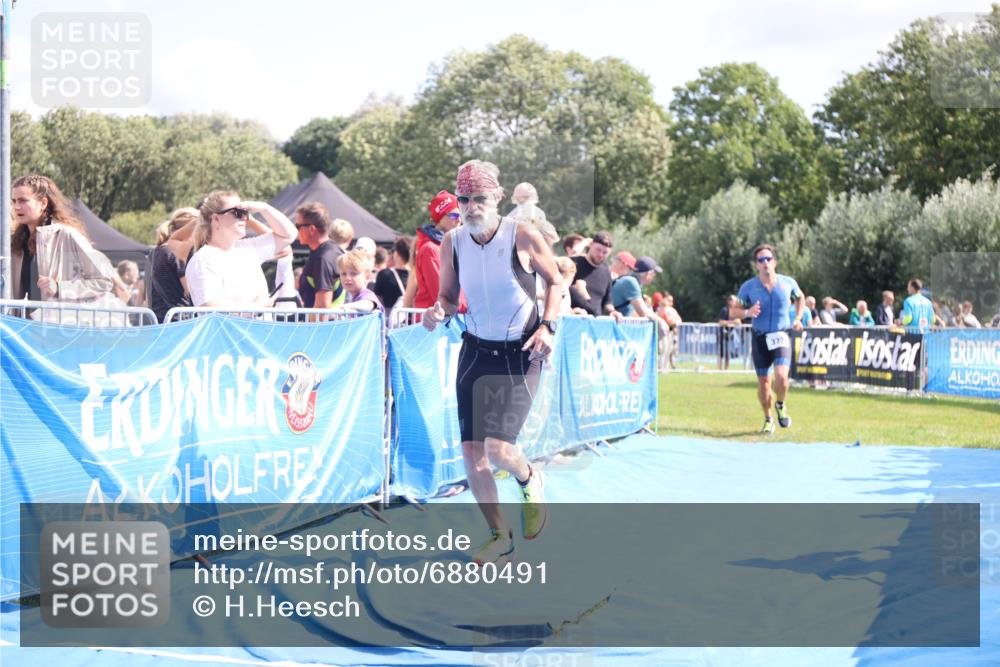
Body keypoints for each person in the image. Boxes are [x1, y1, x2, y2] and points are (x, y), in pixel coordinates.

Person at [422, 159, 561, 566]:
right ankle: (499, 535)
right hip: (475, 353)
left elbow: (556, 281)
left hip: (522, 351)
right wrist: (437, 311)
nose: (470, 206)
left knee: (500, 450)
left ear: (497, 198)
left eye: (479, 198)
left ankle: (529, 477)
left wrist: (548, 326)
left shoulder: (523, 235)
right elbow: (448, 298)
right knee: (472, 453)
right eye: (463, 199)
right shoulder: (453, 243)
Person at [9, 174, 130, 322]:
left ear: (43, 203)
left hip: (61, 328)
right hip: (24, 330)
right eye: (14, 201)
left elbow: (103, 280)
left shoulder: (66, 235)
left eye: (23, 201)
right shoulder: (15, 242)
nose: (16, 206)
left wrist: (60, 288)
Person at [728, 244, 805, 434]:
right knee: (764, 383)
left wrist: (797, 318)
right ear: (757, 265)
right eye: (761, 260)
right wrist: (747, 311)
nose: (765, 263)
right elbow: (733, 311)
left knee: (781, 378)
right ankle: (768, 418)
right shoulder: (749, 287)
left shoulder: (788, 283)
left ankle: (780, 404)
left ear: (775, 262)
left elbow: (801, 298)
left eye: (768, 259)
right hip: (760, 338)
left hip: (781, 335)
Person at [185, 191, 296, 308]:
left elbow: (288, 235)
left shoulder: (249, 248)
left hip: (258, 326)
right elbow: (209, 306)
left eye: (245, 212)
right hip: (229, 327)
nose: (244, 218)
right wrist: (256, 307)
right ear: (216, 218)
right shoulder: (203, 259)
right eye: (237, 212)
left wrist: (264, 208)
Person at [415, 190, 463, 310]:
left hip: (453, 319)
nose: (459, 219)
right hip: (435, 323)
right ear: (440, 218)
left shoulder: (455, 245)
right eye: (454, 215)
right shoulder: (430, 249)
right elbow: (442, 295)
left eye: (461, 214)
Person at [150, 207, 198, 322]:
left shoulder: (157, 251)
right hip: (180, 319)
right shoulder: (176, 252)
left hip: (162, 317)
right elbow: (190, 290)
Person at [296, 204, 345, 311]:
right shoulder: (330, 250)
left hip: (322, 326)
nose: (296, 231)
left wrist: (310, 327)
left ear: (312, 229)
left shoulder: (323, 258)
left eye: (298, 226)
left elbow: (322, 307)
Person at [569, 231, 619, 318]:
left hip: (596, 323)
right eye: (598, 250)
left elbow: (607, 301)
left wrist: (613, 312)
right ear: (591, 245)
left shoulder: (606, 270)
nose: (600, 255)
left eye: (605, 252)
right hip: (574, 321)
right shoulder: (573, 263)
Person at [611, 255, 662, 322]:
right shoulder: (631, 282)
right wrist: (661, 322)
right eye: (654, 274)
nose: (654, 277)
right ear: (648, 274)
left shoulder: (630, 280)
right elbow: (644, 313)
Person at [373, 236, 411, 324]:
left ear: (396, 253)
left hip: (389, 321)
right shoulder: (416, 275)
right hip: (411, 322)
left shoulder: (384, 274)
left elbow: (377, 298)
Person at [335, 250, 383, 314]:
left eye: (353, 274)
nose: (347, 278)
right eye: (343, 274)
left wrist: (344, 307)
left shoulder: (366, 294)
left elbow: (368, 304)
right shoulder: (353, 298)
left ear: (367, 277)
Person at [718, 294, 743, 371]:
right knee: (721, 353)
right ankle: (719, 369)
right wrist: (732, 322)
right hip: (722, 334)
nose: (735, 302)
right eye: (733, 300)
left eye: (735, 300)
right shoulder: (724, 310)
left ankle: (726, 369)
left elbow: (739, 322)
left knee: (728, 353)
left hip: (731, 334)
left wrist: (735, 322)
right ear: (729, 301)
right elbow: (721, 322)